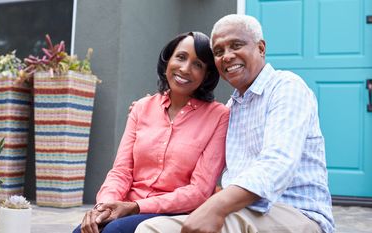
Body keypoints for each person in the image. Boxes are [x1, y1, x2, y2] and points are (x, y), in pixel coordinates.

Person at [136, 14, 335, 233]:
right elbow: (191, 143)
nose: (227, 56)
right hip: (242, 211)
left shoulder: (286, 87)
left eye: (236, 45)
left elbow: (277, 163)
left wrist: (215, 207)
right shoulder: (231, 108)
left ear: (261, 48)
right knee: (150, 227)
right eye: (219, 52)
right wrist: (153, 113)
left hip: (296, 212)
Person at [73, 31, 229, 233]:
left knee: (115, 231)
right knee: (84, 230)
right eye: (180, 57)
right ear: (167, 61)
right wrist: (104, 206)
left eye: (197, 64)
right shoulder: (142, 108)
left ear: (206, 75)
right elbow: (121, 171)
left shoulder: (218, 116)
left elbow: (199, 190)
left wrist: (136, 207)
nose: (185, 68)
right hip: (128, 206)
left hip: (175, 211)